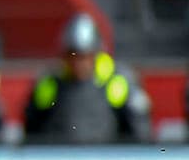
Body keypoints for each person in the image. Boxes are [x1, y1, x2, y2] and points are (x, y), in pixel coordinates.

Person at [25, 12, 151, 144]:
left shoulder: (116, 82)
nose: (78, 63)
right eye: (73, 56)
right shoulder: (50, 84)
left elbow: (139, 134)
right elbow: (32, 132)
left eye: (84, 57)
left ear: (95, 55)